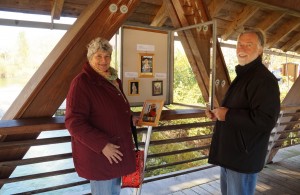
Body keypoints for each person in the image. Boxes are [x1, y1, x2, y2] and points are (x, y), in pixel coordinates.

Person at [206, 28, 280, 195]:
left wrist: (228, 115)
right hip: (231, 155)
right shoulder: (244, 75)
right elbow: (237, 109)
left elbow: (266, 120)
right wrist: (218, 114)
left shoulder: (264, 80)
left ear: (260, 49)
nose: (242, 49)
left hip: (243, 158)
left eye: (249, 45)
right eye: (240, 44)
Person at [65, 37, 138, 195]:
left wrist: (130, 118)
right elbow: (73, 122)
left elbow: (115, 108)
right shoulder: (82, 83)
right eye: (98, 56)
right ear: (90, 58)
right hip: (100, 154)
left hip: (117, 151)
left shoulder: (113, 80)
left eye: (107, 56)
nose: (103, 61)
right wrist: (102, 145)